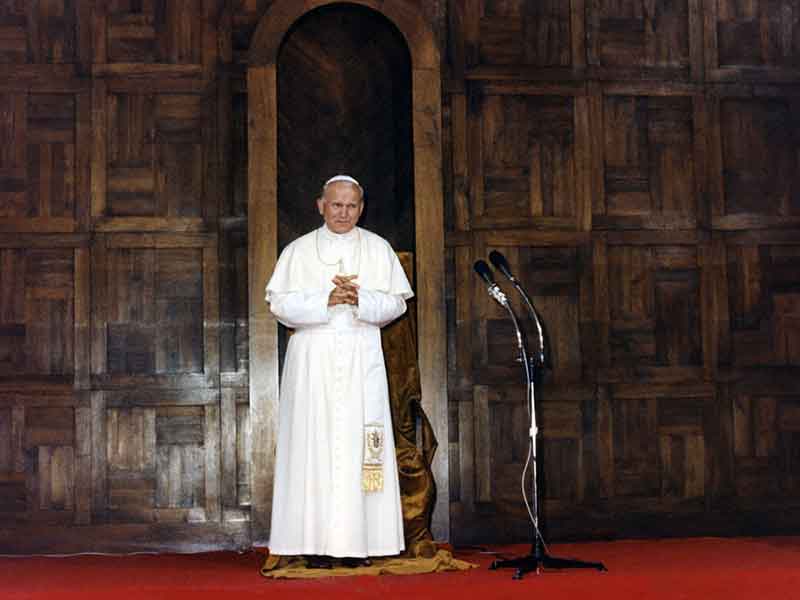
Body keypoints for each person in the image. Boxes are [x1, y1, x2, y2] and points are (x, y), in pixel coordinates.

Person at [264, 174, 413, 568]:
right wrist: (325, 299)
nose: (343, 212)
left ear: (361, 208)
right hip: (312, 361)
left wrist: (361, 299)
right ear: (321, 206)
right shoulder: (298, 251)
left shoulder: (378, 248)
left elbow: (397, 304)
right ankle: (313, 543)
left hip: (363, 357)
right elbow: (278, 305)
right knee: (312, 446)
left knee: (361, 447)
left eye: (351, 206)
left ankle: (362, 543)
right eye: (336, 205)